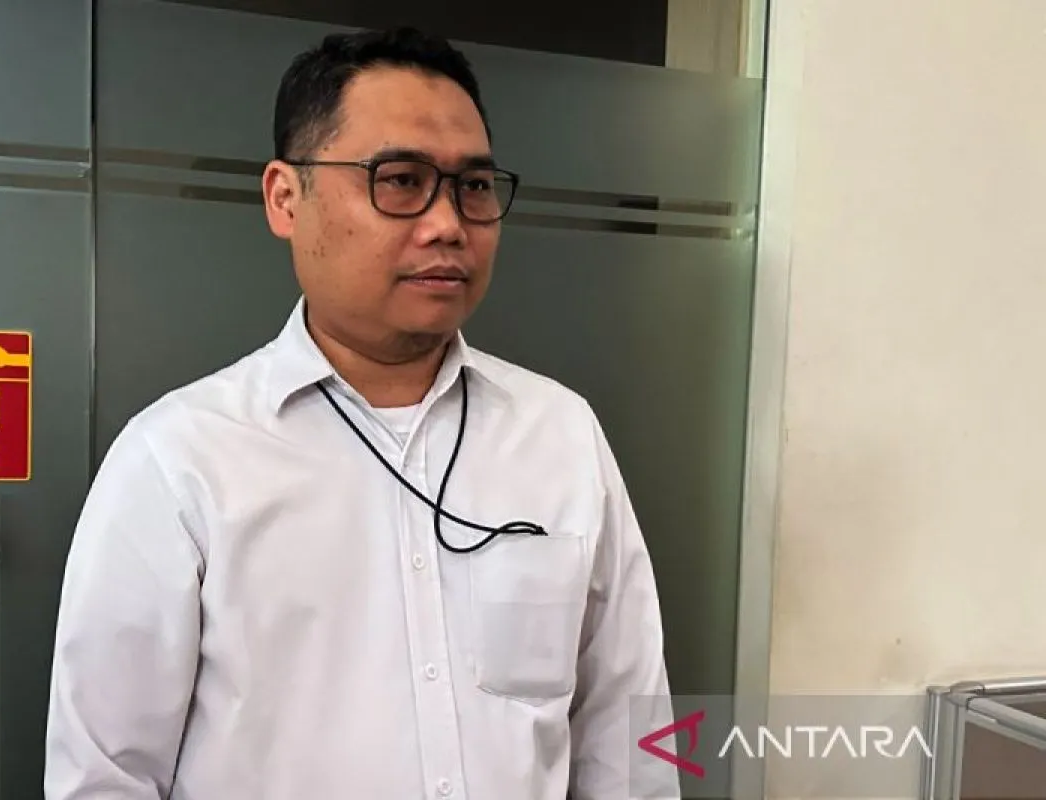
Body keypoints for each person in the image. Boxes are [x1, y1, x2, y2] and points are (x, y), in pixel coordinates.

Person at [44, 25, 677, 800]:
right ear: (286, 198)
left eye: (474, 186)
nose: (448, 224)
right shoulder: (180, 460)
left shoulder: (560, 434)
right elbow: (104, 777)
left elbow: (629, 737)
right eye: (400, 180)